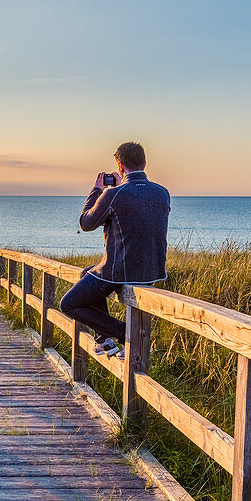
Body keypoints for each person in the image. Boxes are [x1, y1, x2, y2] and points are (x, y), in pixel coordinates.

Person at [59, 142, 170, 359]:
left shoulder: (114, 194)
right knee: (86, 273)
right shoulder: (162, 192)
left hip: (119, 273)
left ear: (120, 165)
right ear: (144, 162)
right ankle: (104, 341)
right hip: (152, 271)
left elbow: (86, 223)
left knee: (68, 304)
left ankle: (124, 333)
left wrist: (98, 190)